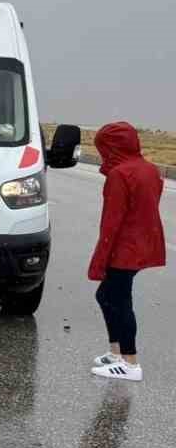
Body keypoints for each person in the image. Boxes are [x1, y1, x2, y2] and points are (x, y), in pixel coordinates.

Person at [88, 122, 166, 381]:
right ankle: (117, 353)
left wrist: (99, 261)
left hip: (124, 248)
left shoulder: (120, 174)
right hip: (142, 243)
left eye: (104, 149)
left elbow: (111, 223)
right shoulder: (150, 170)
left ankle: (130, 362)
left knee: (118, 300)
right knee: (108, 296)